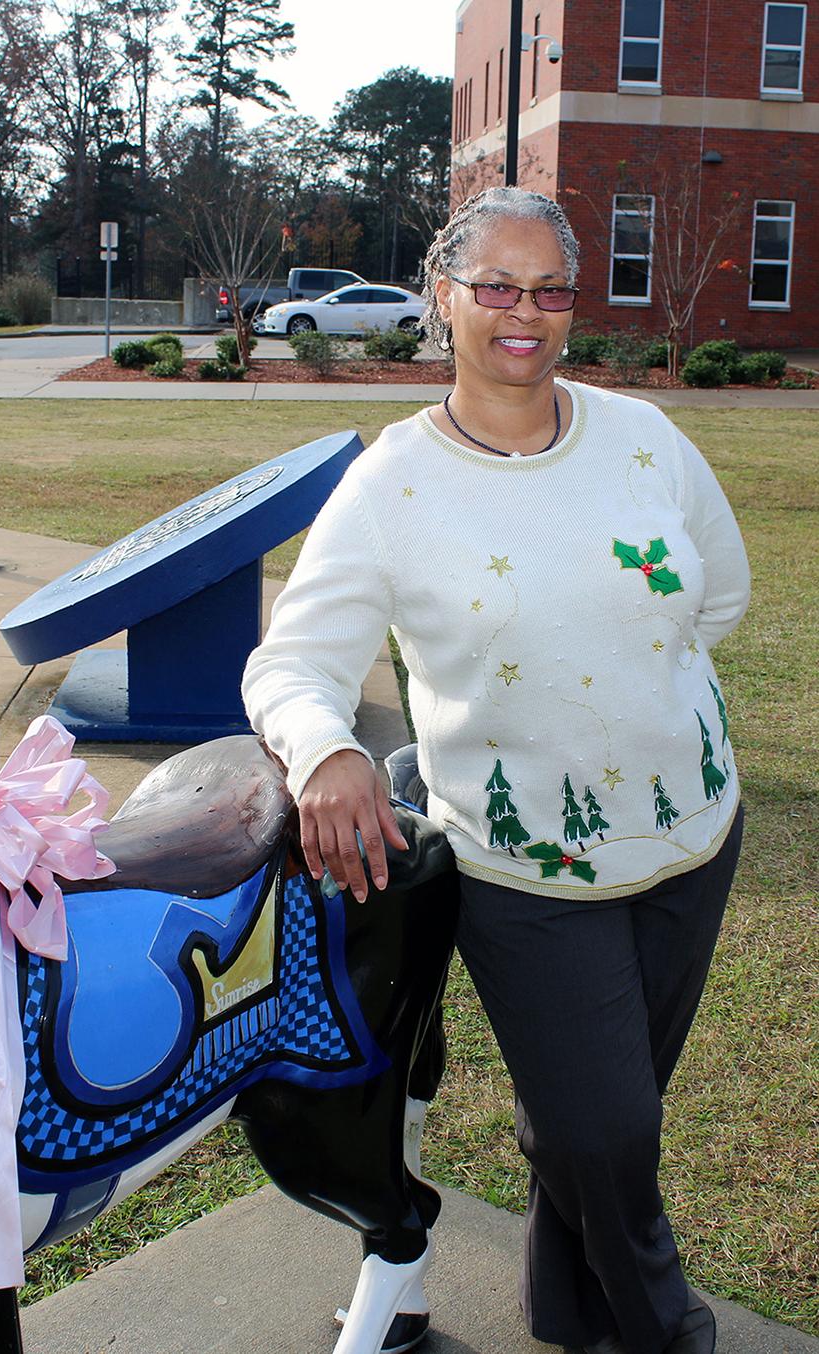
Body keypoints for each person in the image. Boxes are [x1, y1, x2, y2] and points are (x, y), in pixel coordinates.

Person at [242, 187, 747, 1354]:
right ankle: (666, 1329)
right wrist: (324, 754)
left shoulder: (642, 439)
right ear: (443, 299)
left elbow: (717, 595)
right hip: (525, 871)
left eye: (549, 288)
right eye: (496, 287)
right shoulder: (390, 486)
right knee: (603, 1128)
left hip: (691, 840)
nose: (524, 313)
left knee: (600, 1112)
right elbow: (293, 665)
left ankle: (567, 1308)